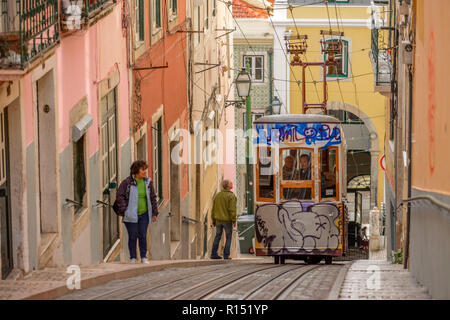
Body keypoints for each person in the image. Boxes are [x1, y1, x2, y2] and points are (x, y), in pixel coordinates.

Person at [115, 160, 158, 264]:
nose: (145, 172)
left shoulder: (148, 183)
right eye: (143, 169)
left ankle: (143, 256)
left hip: (144, 214)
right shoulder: (127, 183)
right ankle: (133, 257)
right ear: (136, 170)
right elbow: (119, 196)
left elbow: (153, 197)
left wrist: (154, 213)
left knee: (143, 234)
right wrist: (125, 210)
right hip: (130, 215)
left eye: (145, 169)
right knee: (133, 235)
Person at [210, 180, 237, 260]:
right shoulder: (231, 196)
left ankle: (213, 254)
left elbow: (214, 209)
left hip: (218, 220)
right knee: (228, 237)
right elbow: (232, 210)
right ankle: (226, 255)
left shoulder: (218, 195)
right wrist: (234, 220)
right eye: (231, 183)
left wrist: (213, 220)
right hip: (227, 221)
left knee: (217, 236)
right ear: (228, 186)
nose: (232, 184)